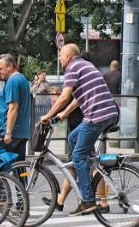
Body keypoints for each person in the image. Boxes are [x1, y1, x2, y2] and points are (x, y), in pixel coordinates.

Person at [40, 44, 118, 216]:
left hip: (96, 116)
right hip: (107, 113)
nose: (59, 58)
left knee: (77, 156)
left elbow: (65, 96)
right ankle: (89, 163)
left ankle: (88, 200)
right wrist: (63, 113)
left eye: (60, 55)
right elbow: (78, 97)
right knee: (73, 138)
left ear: (68, 56)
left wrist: (48, 115)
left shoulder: (72, 68)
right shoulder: (86, 65)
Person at [0, 53, 31, 162]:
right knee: (19, 168)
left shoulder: (12, 81)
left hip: (11, 132)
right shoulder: (22, 79)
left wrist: (8, 132)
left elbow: (13, 108)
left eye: (1, 69)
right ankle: (21, 180)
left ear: (10, 66)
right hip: (22, 131)